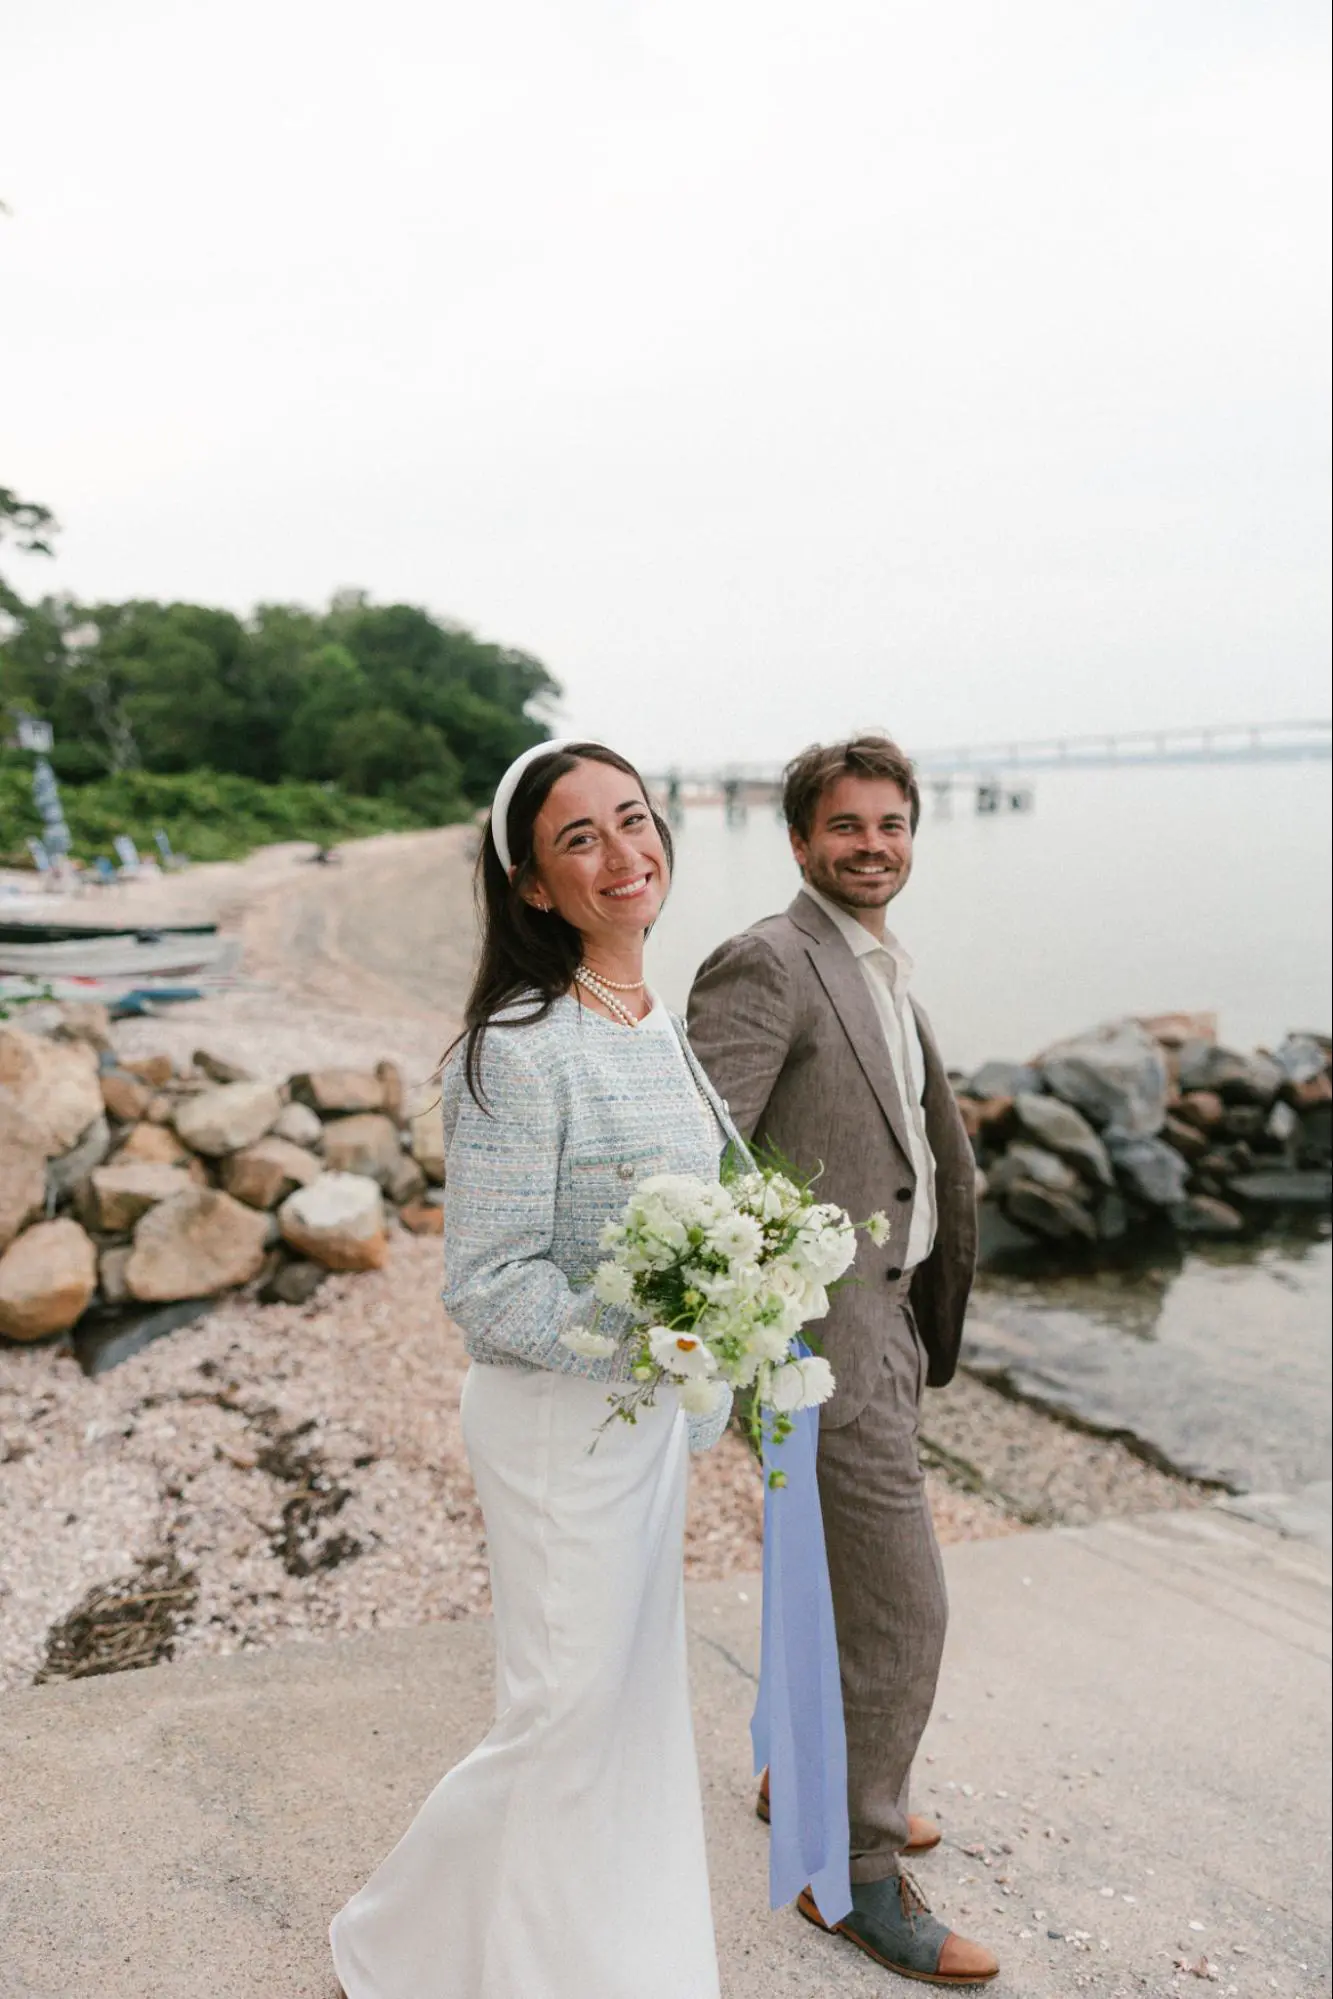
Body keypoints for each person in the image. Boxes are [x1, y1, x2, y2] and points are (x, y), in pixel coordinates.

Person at [329, 740, 735, 1999]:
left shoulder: (649, 1014)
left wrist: (738, 1314)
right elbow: (489, 1286)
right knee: (559, 1714)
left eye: (635, 820)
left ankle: (612, 1961)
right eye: (581, 840)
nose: (625, 855)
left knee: (626, 1710)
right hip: (557, 1430)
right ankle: (401, 1945)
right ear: (531, 887)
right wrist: (666, 1338)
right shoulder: (513, 1047)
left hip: (643, 1428)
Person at [686, 734, 999, 1987]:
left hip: (888, 1325)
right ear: (801, 839)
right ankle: (854, 1873)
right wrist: (770, 1327)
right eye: (847, 826)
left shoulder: (875, 966)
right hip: (821, 1342)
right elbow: (705, 1162)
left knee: (838, 1587)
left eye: (892, 825)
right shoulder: (769, 960)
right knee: (899, 1606)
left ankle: (807, 1782)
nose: (872, 845)